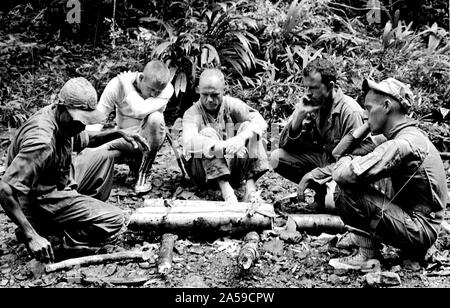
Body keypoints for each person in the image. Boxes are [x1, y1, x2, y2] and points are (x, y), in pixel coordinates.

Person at [0, 77, 149, 263]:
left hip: (57, 184)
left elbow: (89, 140)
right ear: (62, 108)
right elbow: (5, 189)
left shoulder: (63, 120)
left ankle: (67, 221)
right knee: (115, 219)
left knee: (103, 156)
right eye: (79, 120)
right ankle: (59, 240)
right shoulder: (42, 142)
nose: (82, 125)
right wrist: (31, 235)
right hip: (40, 201)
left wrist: (118, 133)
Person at [329, 77, 447, 269]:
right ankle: (365, 239)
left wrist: (348, 162)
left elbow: (344, 175)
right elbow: (338, 153)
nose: (365, 115)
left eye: (368, 109)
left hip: (418, 230)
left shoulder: (401, 144)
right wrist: (368, 124)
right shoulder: (402, 135)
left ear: (386, 106)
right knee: (362, 177)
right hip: (418, 226)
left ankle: (367, 256)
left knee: (345, 190)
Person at [270, 58, 365, 209]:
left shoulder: (350, 112)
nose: (307, 93)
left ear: (330, 87)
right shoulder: (310, 102)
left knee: (332, 203)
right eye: (306, 87)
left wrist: (314, 175)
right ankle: (320, 196)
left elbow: (356, 162)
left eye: (313, 88)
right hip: (322, 159)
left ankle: (328, 199)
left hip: (343, 169)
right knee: (276, 158)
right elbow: (282, 145)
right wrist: (298, 117)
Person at [182, 69, 270, 203]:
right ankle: (226, 191)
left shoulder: (232, 104)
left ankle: (250, 190)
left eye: (215, 95)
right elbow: (189, 141)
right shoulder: (191, 113)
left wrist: (241, 139)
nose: (209, 99)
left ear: (224, 90)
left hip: (233, 169)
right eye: (204, 94)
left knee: (251, 129)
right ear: (197, 89)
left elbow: (260, 122)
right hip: (203, 175)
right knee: (207, 134)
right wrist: (224, 146)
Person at [86, 60, 174, 194]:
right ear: (141, 78)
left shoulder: (167, 89)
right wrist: (87, 143)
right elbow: (99, 116)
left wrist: (128, 87)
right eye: (151, 89)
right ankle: (132, 165)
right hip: (124, 137)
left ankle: (144, 171)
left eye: (158, 91)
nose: (154, 94)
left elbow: (140, 110)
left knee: (155, 118)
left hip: (147, 139)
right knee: (91, 153)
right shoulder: (116, 84)